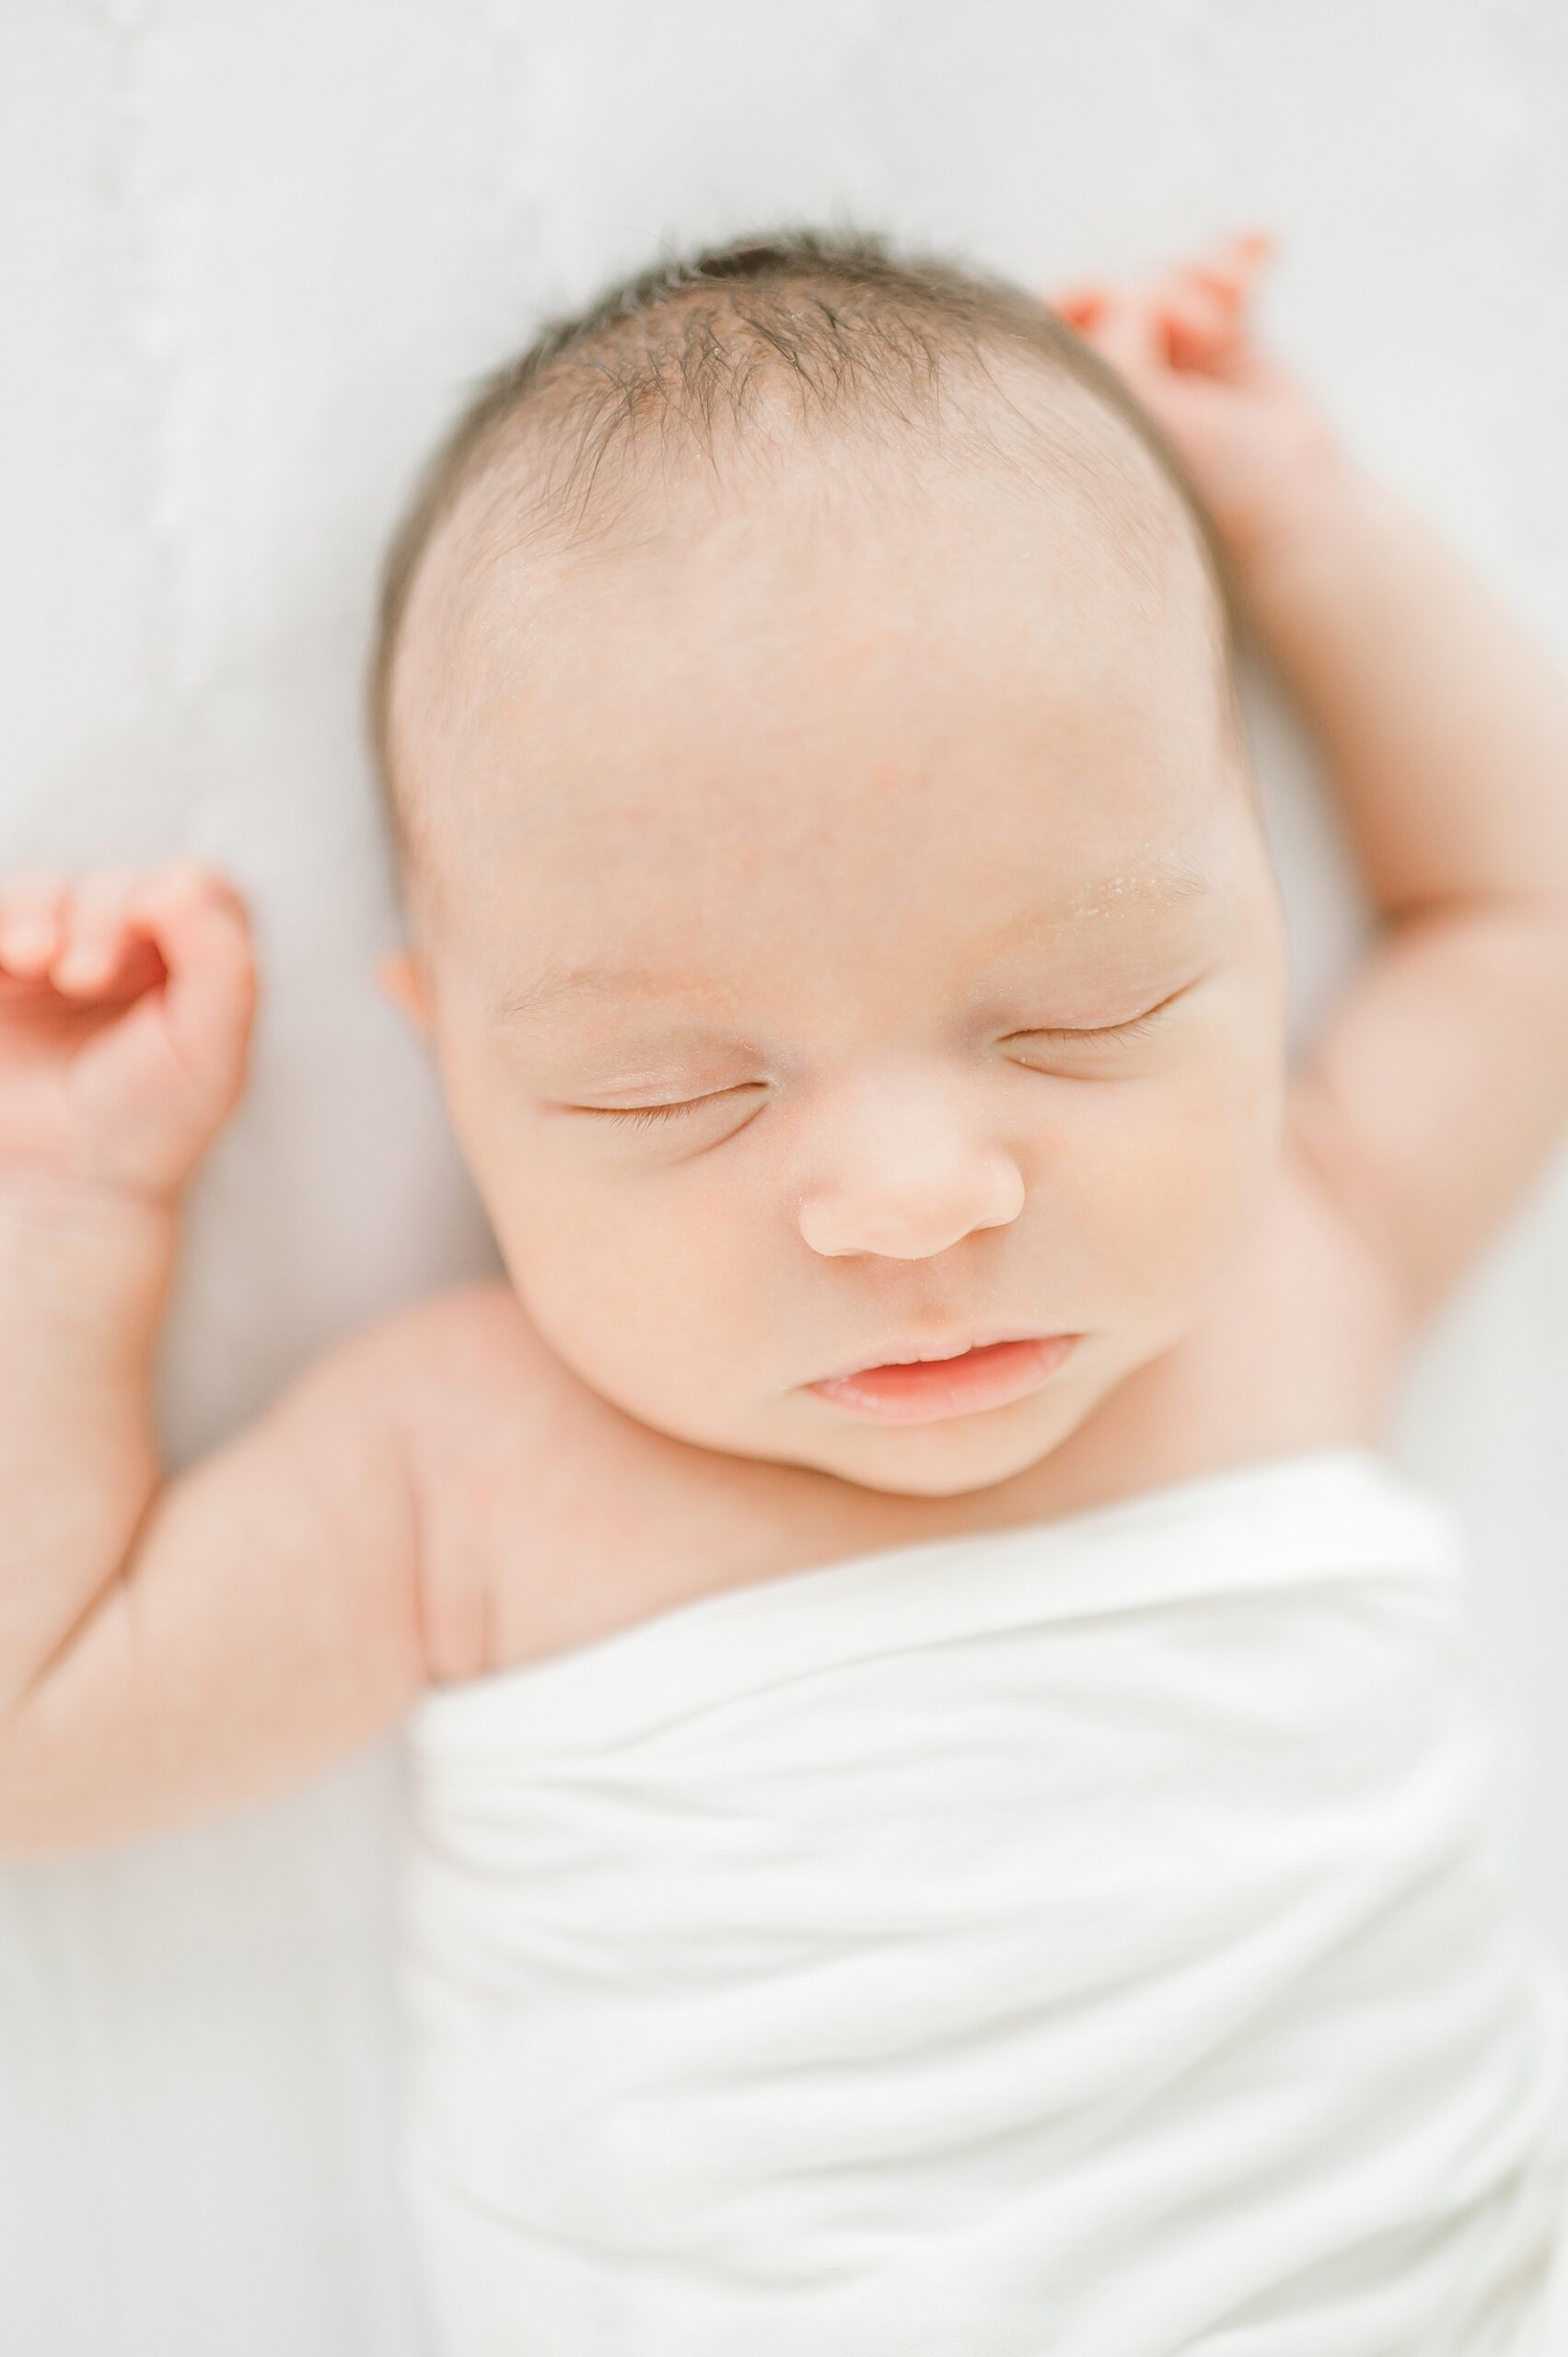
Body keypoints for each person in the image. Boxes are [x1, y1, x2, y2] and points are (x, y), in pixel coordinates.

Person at [4, 224, 1568, 2352]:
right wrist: (77, 1220)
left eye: (1082, 1016)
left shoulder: (1303, 1253)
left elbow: (1522, 915)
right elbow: (40, 1733)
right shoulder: (470, 1464)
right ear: (449, 1069)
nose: (918, 1203)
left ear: (1262, 918)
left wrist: (1308, 528)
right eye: (682, 1092)